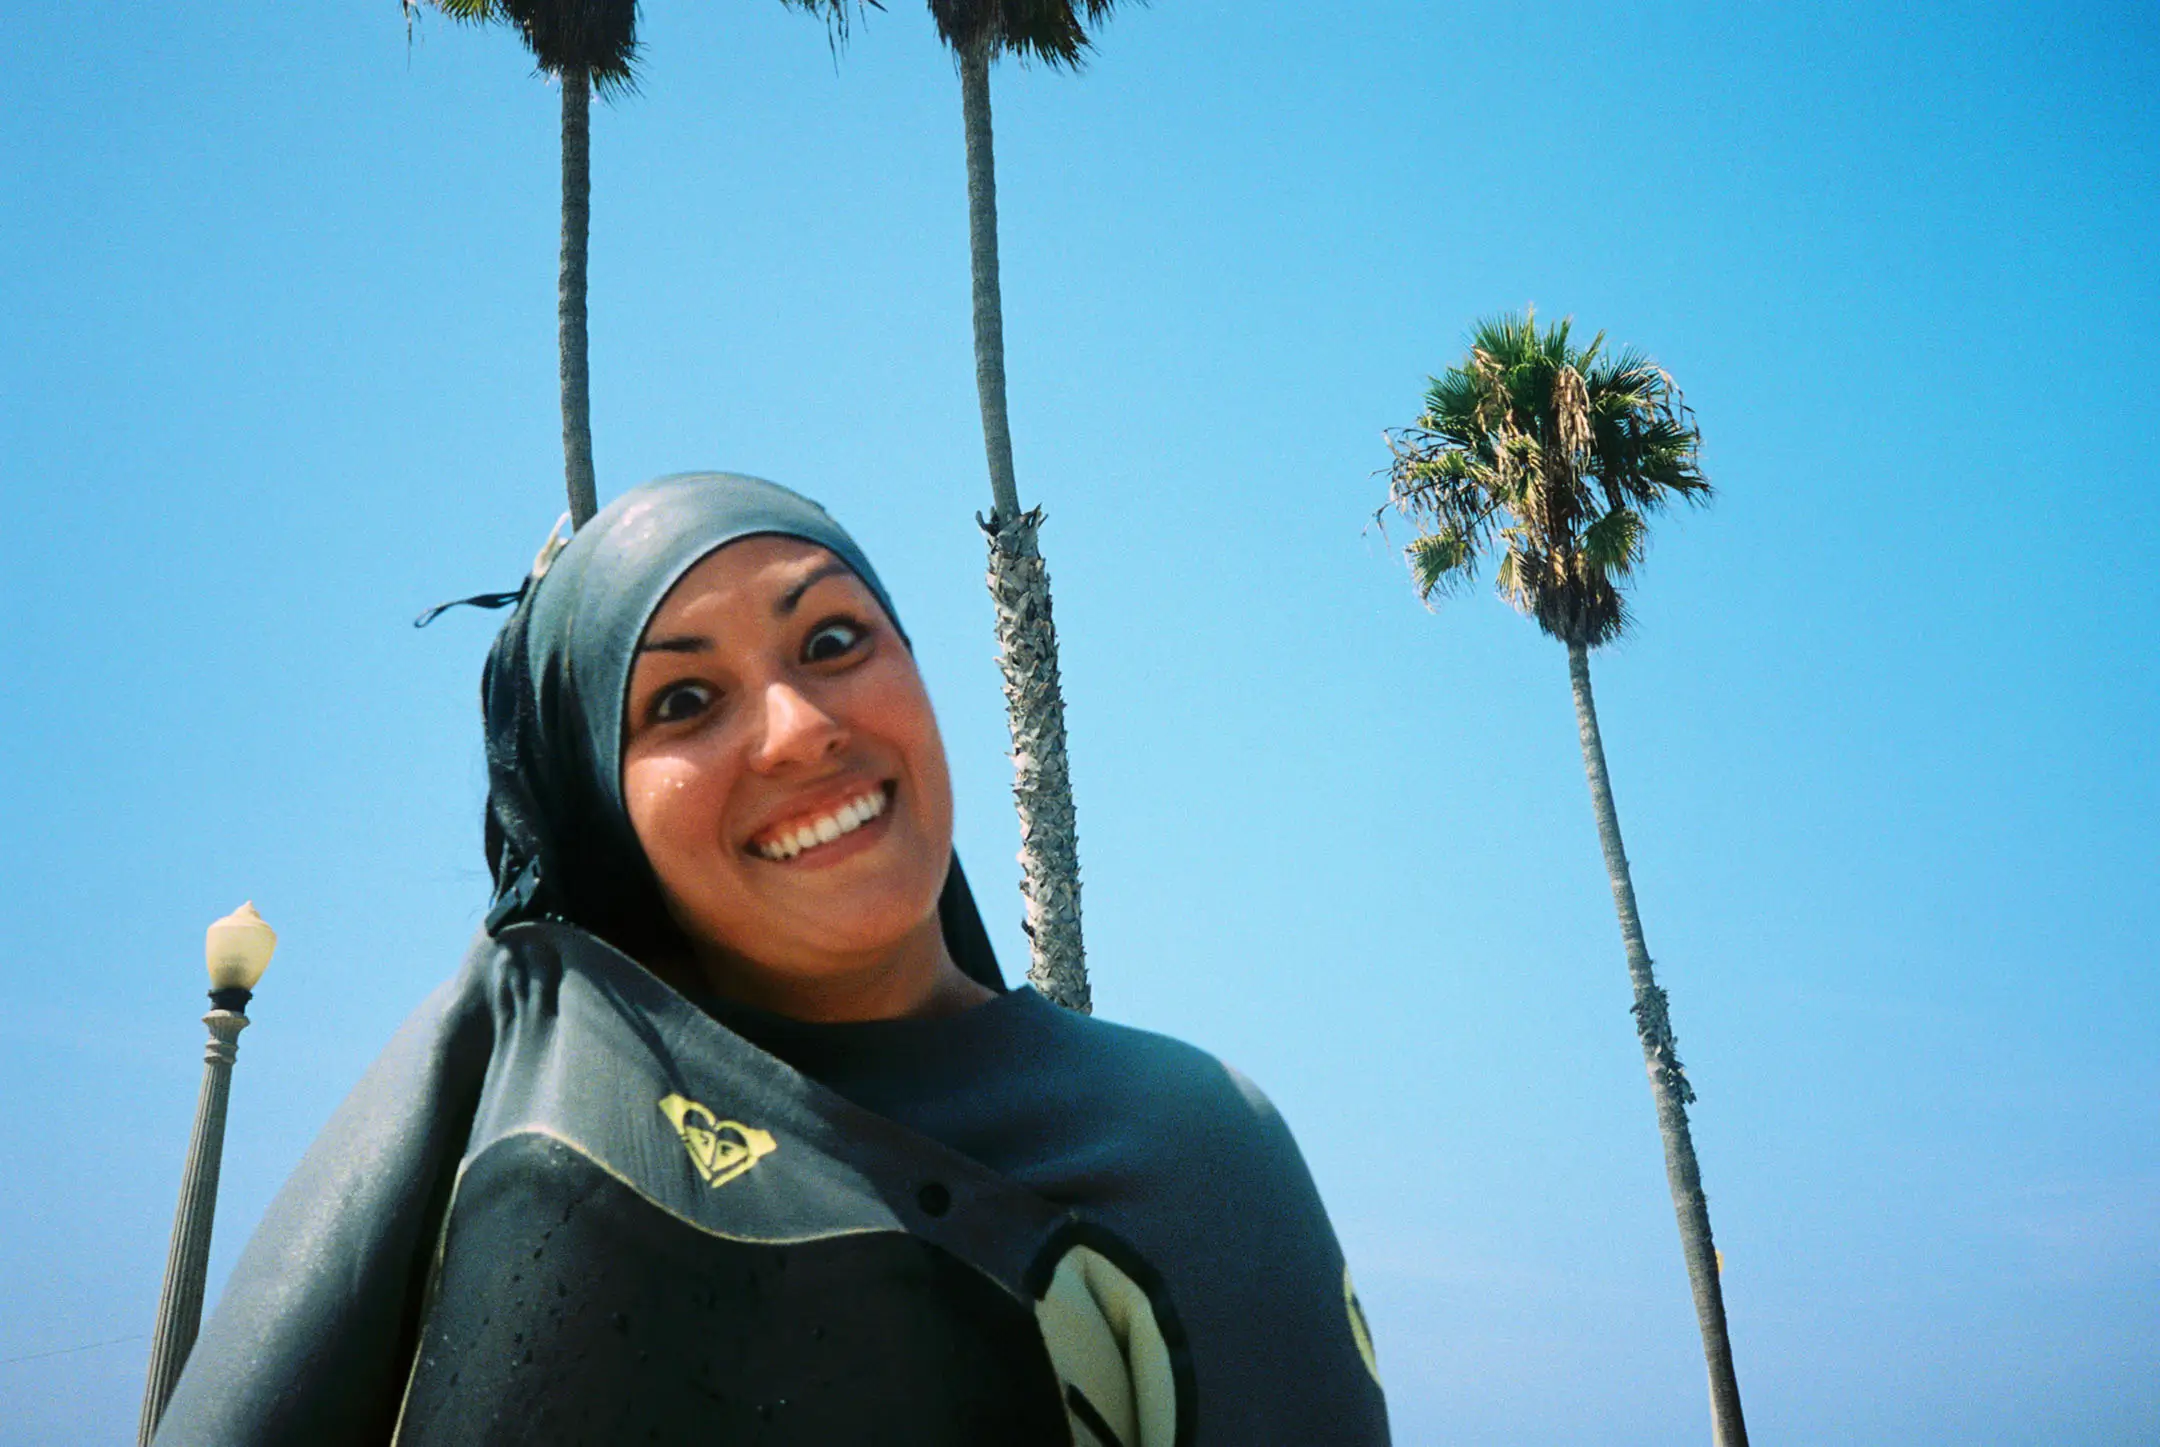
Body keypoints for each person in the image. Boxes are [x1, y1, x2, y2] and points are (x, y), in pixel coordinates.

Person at [152, 472, 1390, 1446]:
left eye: (836, 639)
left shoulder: (1185, 1139)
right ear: (597, 805)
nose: (803, 732)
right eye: (682, 704)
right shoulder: (516, 1055)